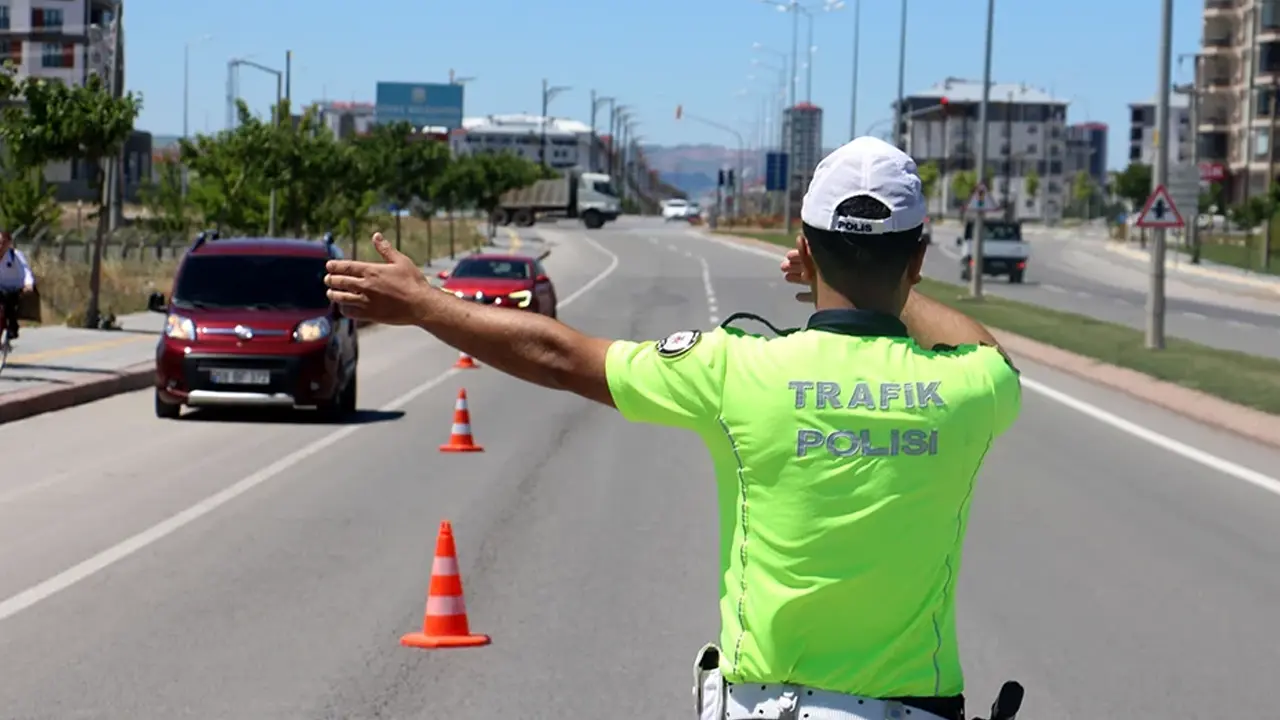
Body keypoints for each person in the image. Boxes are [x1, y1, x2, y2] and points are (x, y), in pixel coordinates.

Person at [323, 136, 1021, 720]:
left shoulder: (735, 370)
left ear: (803, 247)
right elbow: (988, 351)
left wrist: (426, 305)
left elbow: (561, 357)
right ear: (919, 258)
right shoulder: (969, 386)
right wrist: (894, 289)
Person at [0, 230, 35, 342]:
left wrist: (28, 284)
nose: (0, 246)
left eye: (3, 243)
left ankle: (13, 326)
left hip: (14, 288)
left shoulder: (15, 256)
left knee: (9, 300)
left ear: (9, 243)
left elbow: (25, 271)